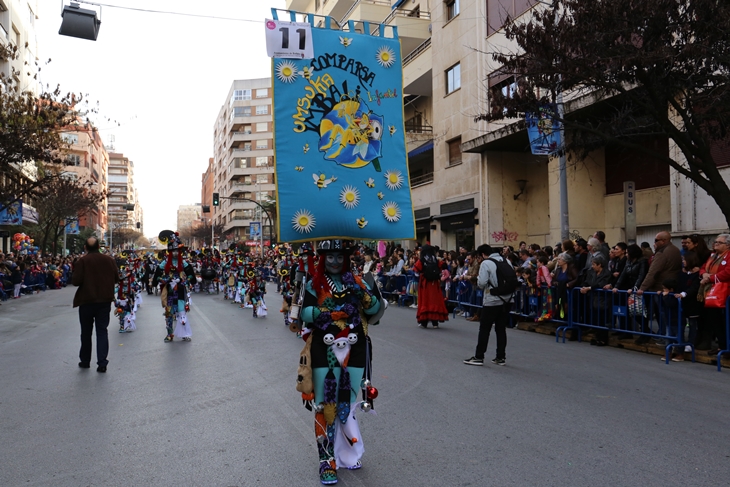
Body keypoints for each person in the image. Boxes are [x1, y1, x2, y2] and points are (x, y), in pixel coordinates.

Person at [297, 240, 382, 484]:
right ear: (324, 258)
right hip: (325, 349)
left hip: (355, 349)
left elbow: (375, 310)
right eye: (330, 256)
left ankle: (345, 454)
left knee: (345, 404)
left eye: (339, 256)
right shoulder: (314, 283)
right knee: (325, 406)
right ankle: (326, 462)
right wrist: (330, 311)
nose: (335, 261)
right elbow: (304, 313)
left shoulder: (356, 281)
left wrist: (363, 293)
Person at [72, 237, 119, 373]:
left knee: (86, 333)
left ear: (85, 247)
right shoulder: (109, 260)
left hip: (86, 301)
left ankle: (85, 361)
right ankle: (102, 363)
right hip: (104, 301)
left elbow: (76, 281)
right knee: (102, 331)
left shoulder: (83, 261)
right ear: (99, 246)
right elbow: (116, 278)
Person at [464, 244, 514, 366]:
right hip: (507, 299)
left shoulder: (486, 263)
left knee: (485, 328)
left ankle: (479, 356)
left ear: (482, 255)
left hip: (492, 299)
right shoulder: (506, 260)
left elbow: (481, 283)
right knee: (500, 328)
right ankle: (500, 357)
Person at [633, 231, 682, 344]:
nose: (654, 243)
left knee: (662, 314)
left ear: (664, 241)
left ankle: (664, 337)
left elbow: (653, 272)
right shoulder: (675, 250)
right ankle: (668, 336)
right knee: (667, 314)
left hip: (660, 287)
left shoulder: (662, 253)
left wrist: (643, 287)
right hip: (670, 286)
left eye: (656, 240)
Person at [697, 233, 730, 354]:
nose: (716, 244)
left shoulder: (728, 255)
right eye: (715, 242)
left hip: (724, 293)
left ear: (727, 245)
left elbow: (727, 273)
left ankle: (727, 346)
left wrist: (710, 279)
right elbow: (703, 268)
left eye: (719, 242)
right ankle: (722, 345)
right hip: (711, 292)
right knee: (715, 320)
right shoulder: (713, 255)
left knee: (725, 321)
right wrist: (703, 275)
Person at [412, 244, 449, 329]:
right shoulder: (435, 260)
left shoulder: (422, 260)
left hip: (425, 284)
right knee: (434, 301)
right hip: (434, 283)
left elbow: (416, 272)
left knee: (425, 301)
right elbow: (443, 266)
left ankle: (424, 321)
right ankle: (435, 322)